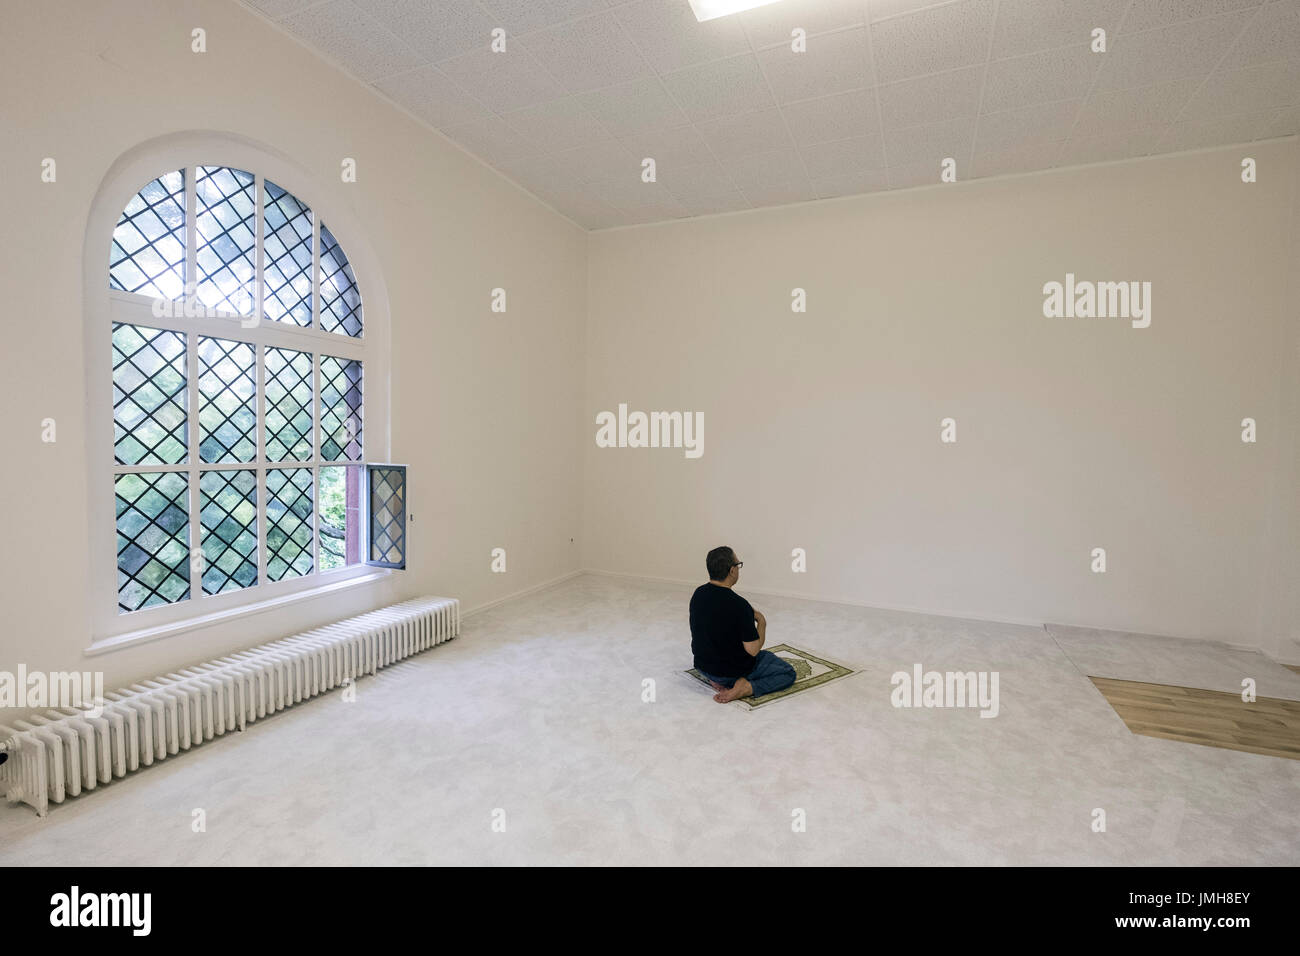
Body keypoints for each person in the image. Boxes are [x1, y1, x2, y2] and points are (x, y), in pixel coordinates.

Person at [690, 546, 796, 703]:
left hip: (703, 667)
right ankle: (746, 687)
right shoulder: (739, 605)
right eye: (738, 565)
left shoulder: (698, 594)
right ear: (732, 570)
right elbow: (752, 651)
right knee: (787, 672)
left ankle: (715, 678)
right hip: (728, 673)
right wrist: (762, 622)